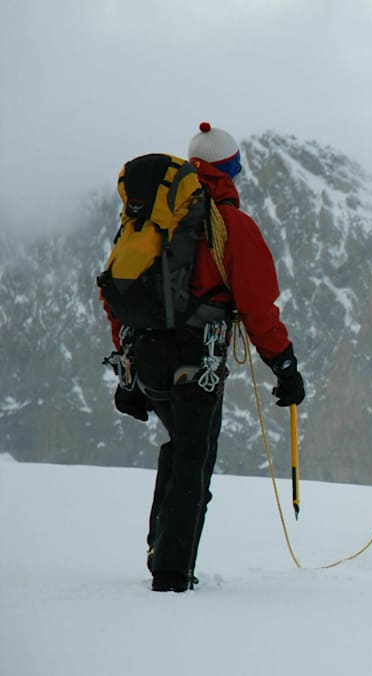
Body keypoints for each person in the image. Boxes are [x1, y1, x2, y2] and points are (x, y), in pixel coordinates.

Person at [105, 122, 306, 592]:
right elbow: (257, 306)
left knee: (179, 448)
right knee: (195, 458)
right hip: (198, 357)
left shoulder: (148, 219)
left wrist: (127, 369)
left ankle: (162, 550)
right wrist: (284, 364)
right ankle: (173, 573)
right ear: (231, 170)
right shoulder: (230, 224)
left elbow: (119, 291)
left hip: (146, 353)